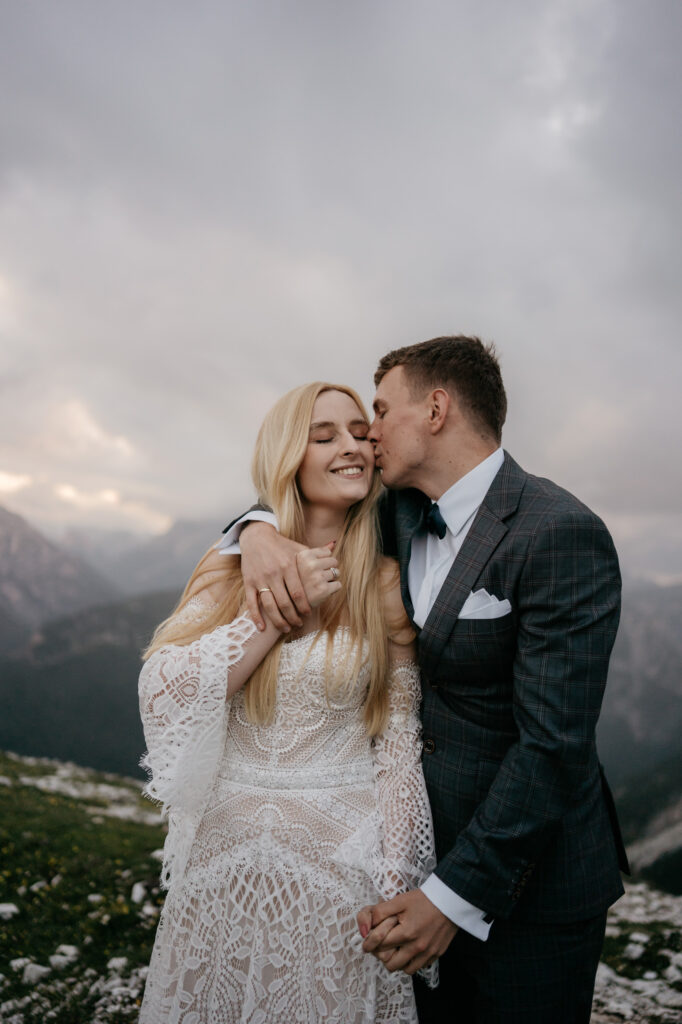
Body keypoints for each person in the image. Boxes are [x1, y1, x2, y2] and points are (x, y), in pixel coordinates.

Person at [229, 336, 629, 1024]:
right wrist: (257, 532)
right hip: (409, 871)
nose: (368, 433)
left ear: (437, 408)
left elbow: (552, 748)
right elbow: (298, 494)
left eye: (380, 411)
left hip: (530, 889)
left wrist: (450, 898)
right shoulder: (394, 512)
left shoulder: (560, 532)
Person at [137, 381, 438, 1024]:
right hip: (225, 864)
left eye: (360, 432)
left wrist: (396, 879)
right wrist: (277, 610)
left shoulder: (385, 581)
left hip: (337, 872)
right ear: (287, 459)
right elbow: (166, 690)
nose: (351, 445)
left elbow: (399, 745)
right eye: (324, 436)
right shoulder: (231, 564)